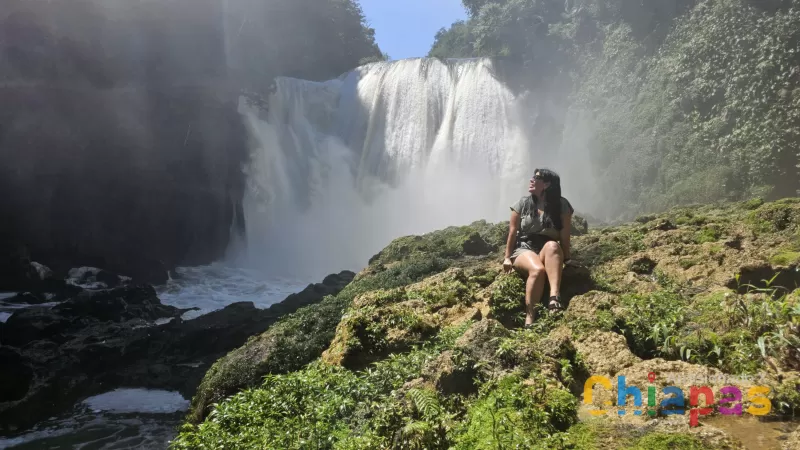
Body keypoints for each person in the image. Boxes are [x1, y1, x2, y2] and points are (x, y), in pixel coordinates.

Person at [502, 168, 574, 326]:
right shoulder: (522, 203)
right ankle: (530, 318)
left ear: (547, 184)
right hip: (524, 247)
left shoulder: (561, 205)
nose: (531, 180)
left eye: (537, 178)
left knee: (553, 246)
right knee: (537, 270)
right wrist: (507, 258)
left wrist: (567, 257)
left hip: (546, 247)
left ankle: (554, 299)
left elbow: (565, 234)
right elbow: (512, 232)